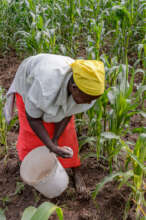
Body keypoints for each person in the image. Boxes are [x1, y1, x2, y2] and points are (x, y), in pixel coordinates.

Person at [4, 53, 105, 195]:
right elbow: (33, 119)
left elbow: (67, 114)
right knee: (33, 135)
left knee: (67, 134)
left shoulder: (87, 88)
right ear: (74, 88)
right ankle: (33, 169)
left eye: (92, 99)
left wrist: (55, 140)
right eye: (87, 99)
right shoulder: (44, 85)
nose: (89, 103)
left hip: (53, 85)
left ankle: (75, 170)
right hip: (29, 85)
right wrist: (51, 146)